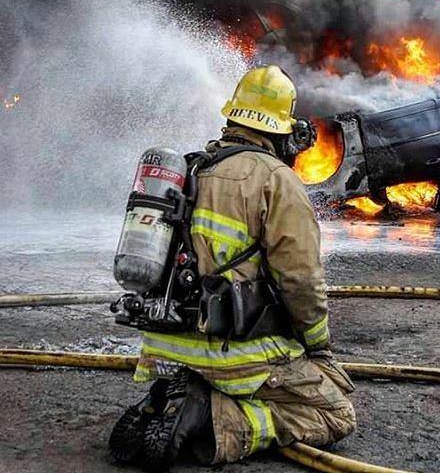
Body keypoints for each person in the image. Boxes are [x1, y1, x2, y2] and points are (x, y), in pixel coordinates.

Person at [109, 65, 356, 470]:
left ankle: (172, 399)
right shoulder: (276, 180)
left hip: (165, 344)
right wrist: (318, 346)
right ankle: (210, 420)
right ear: (281, 128)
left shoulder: (191, 168)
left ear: (234, 117)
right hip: (229, 351)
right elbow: (300, 281)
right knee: (335, 412)